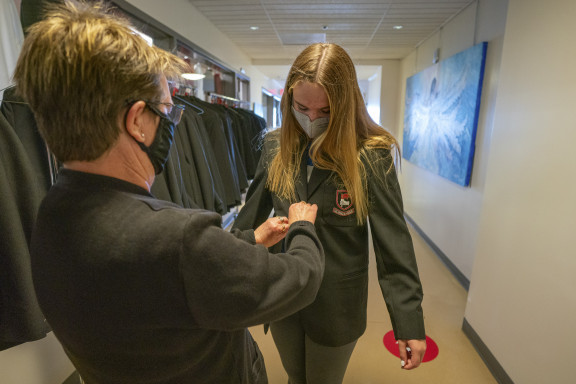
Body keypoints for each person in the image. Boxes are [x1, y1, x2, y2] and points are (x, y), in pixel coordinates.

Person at [12, 1, 324, 383]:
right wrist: (304, 228)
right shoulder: (177, 241)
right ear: (138, 120)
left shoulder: (54, 215)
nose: (173, 122)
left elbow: (164, 286)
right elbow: (299, 279)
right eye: (168, 110)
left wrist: (248, 240)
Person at [232, 43, 427, 384]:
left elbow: (393, 246)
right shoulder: (276, 146)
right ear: (288, 101)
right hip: (283, 295)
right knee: (295, 376)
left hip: (336, 305)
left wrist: (408, 321)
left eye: (325, 110)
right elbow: (247, 223)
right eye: (302, 107)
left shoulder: (370, 156)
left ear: (346, 104)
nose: (311, 119)